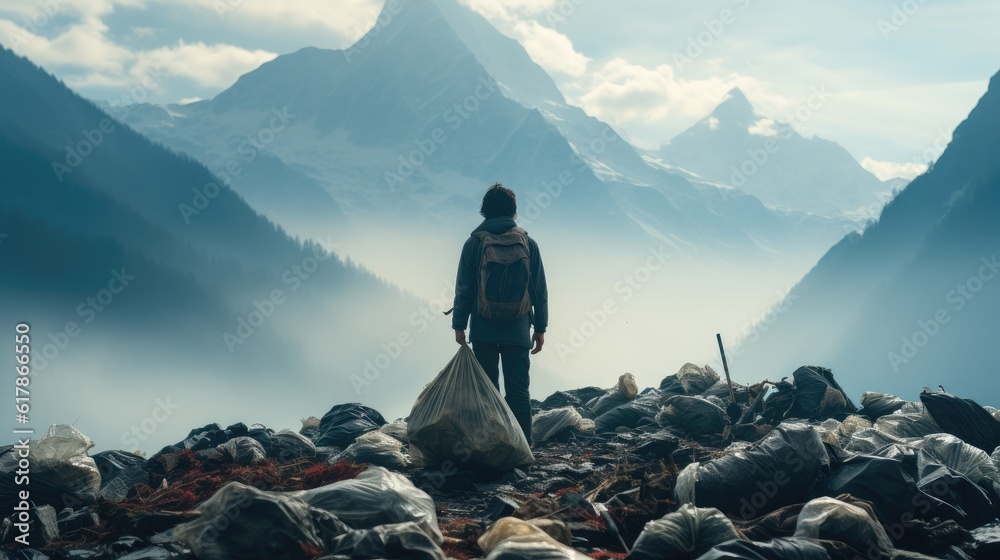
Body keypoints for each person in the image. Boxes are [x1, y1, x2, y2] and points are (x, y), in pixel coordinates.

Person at [452, 183, 548, 444]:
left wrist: (459, 324)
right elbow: (539, 290)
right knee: (518, 392)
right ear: (514, 211)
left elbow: (464, 288)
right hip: (517, 330)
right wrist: (540, 328)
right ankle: (522, 449)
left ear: (484, 211)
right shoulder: (528, 243)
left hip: (483, 328)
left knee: (488, 391)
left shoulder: (474, 244)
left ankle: (493, 447)